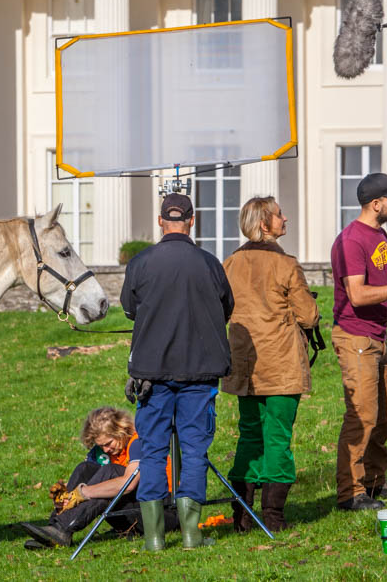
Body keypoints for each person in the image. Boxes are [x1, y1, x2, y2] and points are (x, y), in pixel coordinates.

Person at [121, 192, 234, 551]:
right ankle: (191, 534)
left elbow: (129, 308)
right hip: (199, 375)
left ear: (160, 221)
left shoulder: (140, 263)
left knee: (153, 450)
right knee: (195, 449)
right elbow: (227, 306)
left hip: (151, 376)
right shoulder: (210, 263)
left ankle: (154, 539)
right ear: (192, 219)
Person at [222, 196, 320, 533]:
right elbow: (308, 314)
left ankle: (243, 515)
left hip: (244, 364)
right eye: (279, 215)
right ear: (265, 223)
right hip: (280, 364)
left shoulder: (230, 263)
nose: (285, 218)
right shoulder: (286, 265)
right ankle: (274, 516)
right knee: (278, 438)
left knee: (249, 436)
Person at [330, 174, 387, 512]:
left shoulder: (378, 234)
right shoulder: (352, 240)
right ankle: (350, 493)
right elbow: (358, 294)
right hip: (355, 336)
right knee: (362, 415)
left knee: (386, 416)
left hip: (376, 335)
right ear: (376, 203)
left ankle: (375, 483)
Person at [18, 407, 177, 548]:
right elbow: (88, 478)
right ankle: (54, 529)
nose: (106, 449)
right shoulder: (106, 451)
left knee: (112, 472)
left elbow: (127, 484)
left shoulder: (138, 442)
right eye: (101, 446)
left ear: (120, 430)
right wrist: (66, 498)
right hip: (134, 512)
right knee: (85, 468)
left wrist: (83, 493)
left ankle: (63, 529)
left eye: (109, 443)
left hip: (161, 513)